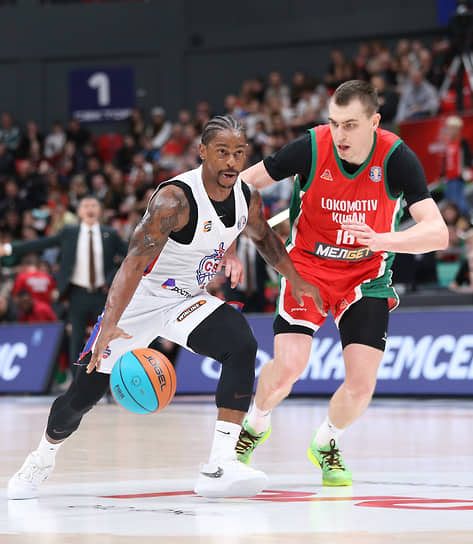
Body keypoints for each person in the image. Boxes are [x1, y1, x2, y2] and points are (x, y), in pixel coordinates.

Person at [7, 115, 323, 501]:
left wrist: (295, 278)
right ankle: (42, 457)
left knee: (241, 344)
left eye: (239, 153)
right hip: (140, 299)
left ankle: (220, 464)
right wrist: (110, 323)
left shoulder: (246, 197)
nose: (231, 161)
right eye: (222, 152)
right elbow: (133, 265)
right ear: (202, 151)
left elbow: (265, 239)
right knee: (82, 396)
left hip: (187, 298)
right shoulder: (174, 200)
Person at [235, 80, 448, 487]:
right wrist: (230, 240)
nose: (340, 134)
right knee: (288, 368)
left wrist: (383, 240)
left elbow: (438, 233)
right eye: (334, 123)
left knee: (362, 385)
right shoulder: (312, 147)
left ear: (375, 122)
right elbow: (244, 183)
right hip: (307, 269)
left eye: (350, 125)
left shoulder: (397, 157)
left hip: (365, 275)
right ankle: (255, 424)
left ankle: (327, 442)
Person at [0, 196, 128, 372]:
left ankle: (105, 379)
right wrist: (9, 248)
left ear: (99, 211)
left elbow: (130, 255)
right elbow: (41, 243)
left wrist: (112, 277)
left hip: (102, 294)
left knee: (105, 339)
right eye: (85, 206)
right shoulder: (69, 232)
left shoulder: (110, 234)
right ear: (79, 212)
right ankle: (76, 381)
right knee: (76, 339)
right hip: (77, 294)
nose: (90, 209)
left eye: (93, 205)